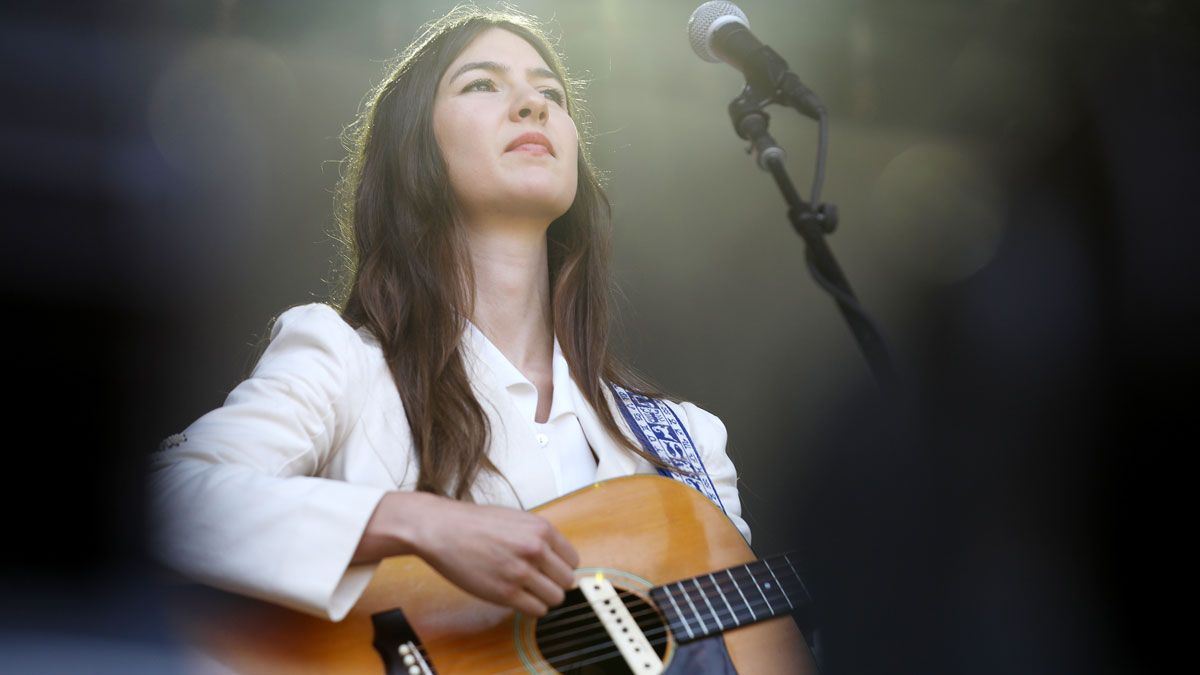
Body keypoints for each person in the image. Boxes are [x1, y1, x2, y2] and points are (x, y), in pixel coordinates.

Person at [146, 6, 750, 625]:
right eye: (483, 83)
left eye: (552, 93)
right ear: (416, 147)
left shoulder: (686, 444)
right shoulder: (343, 363)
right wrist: (413, 523)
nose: (532, 105)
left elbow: (750, 652)